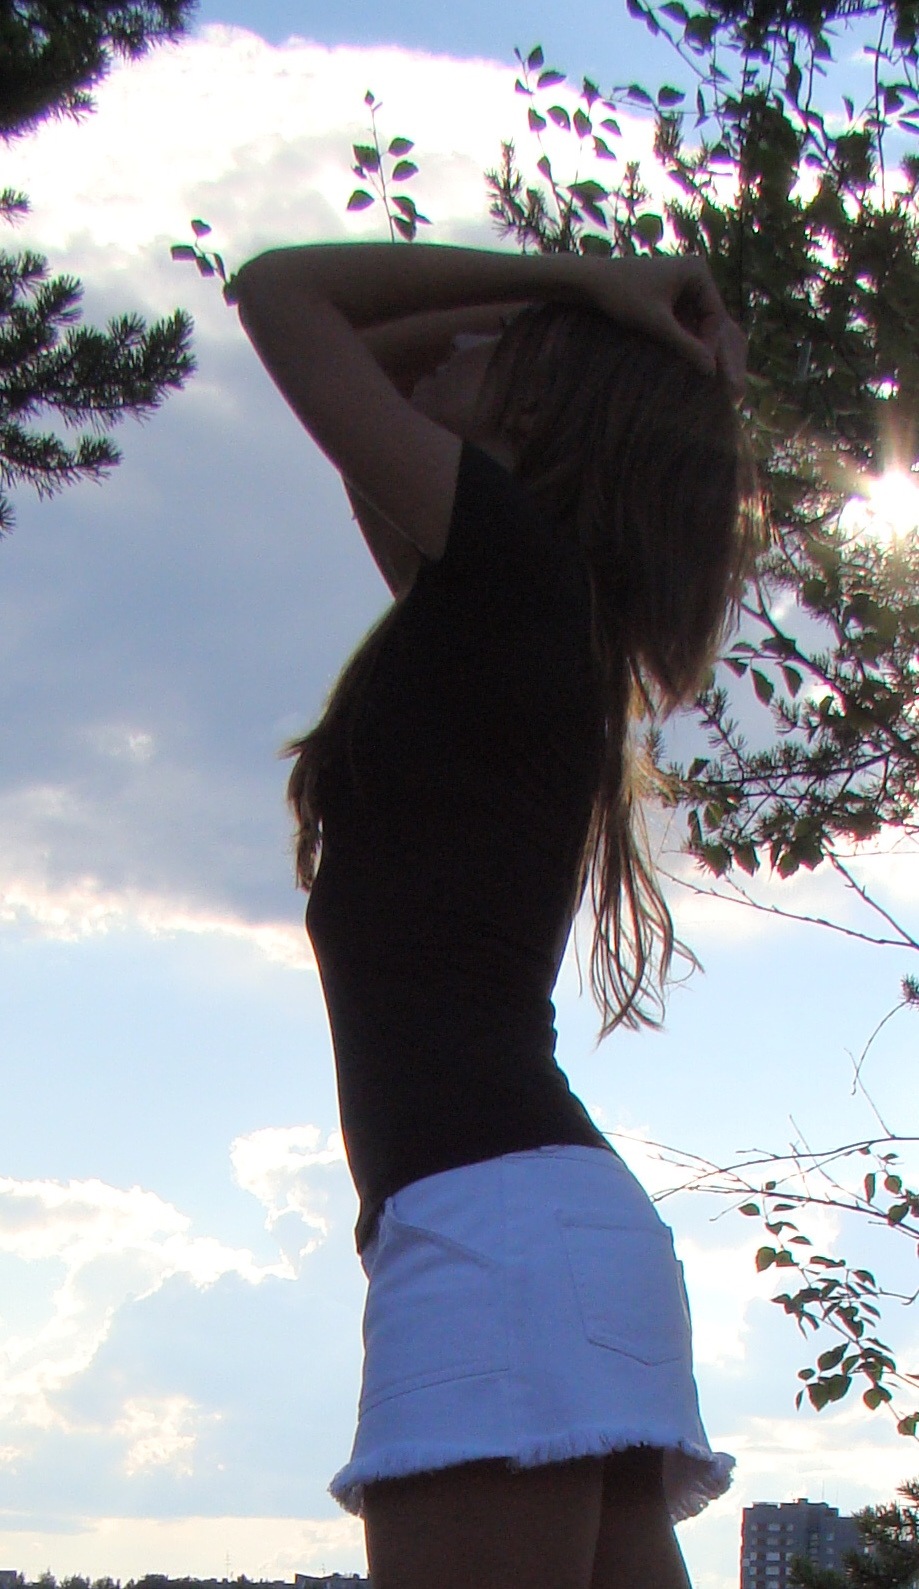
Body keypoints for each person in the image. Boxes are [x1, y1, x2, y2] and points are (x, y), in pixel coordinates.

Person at [232, 241, 760, 1589]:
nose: (451, 355)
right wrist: (561, 324)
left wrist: (583, 289)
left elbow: (283, 295)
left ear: (539, 402)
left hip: (494, 1230)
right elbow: (380, 359)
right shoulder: (503, 607)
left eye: (494, 354)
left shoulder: (516, 576)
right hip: (543, 1229)